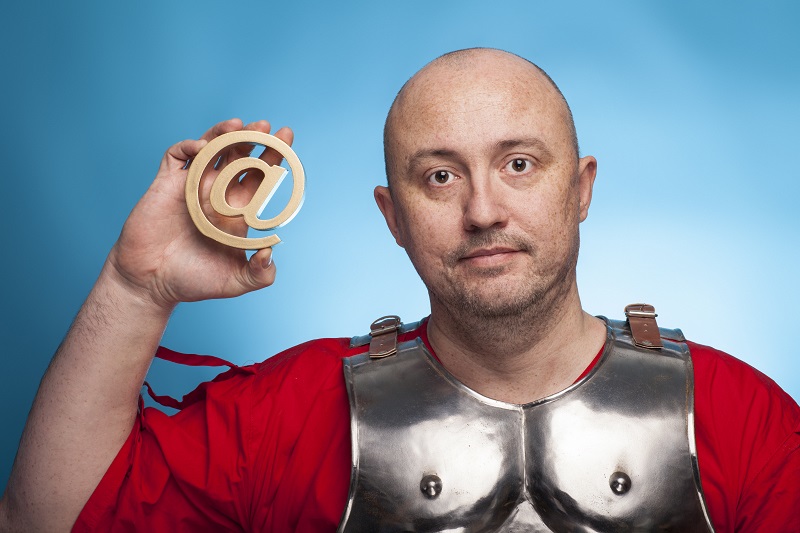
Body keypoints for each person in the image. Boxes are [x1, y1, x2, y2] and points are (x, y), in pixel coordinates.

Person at [1, 49, 798, 532]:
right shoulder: (290, 414)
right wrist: (136, 286)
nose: (482, 210)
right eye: (439, 176)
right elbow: (45, 522)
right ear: (393, 216)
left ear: (581, 188)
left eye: (519, 164)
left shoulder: (738, 416)